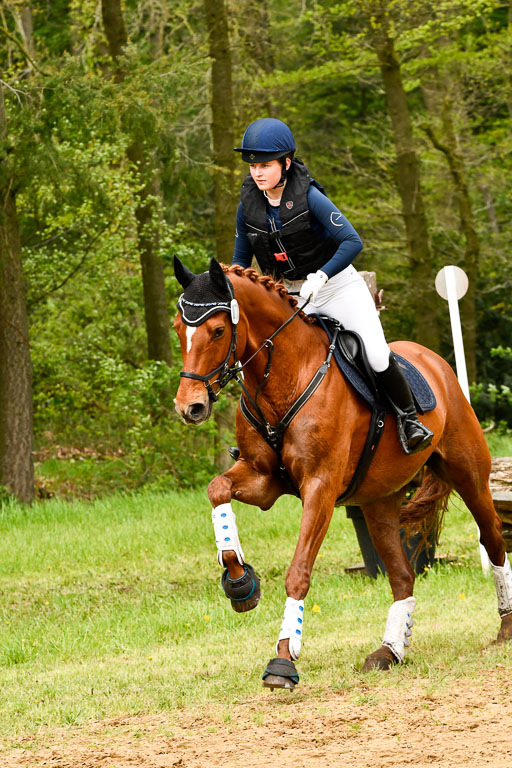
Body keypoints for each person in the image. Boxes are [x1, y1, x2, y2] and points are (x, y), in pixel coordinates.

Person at [232, 117, 433, 454]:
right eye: (253, 166)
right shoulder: (247, 207)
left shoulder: (310, 197)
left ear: (286, 163)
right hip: (290, 295)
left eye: (265, 165)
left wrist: (322, 275)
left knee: (376, 353)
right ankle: (260, 436)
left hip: (336, 287)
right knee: (261, 357)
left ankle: (409, 419)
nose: (257, 173)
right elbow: (240, 262)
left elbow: (352, 241)